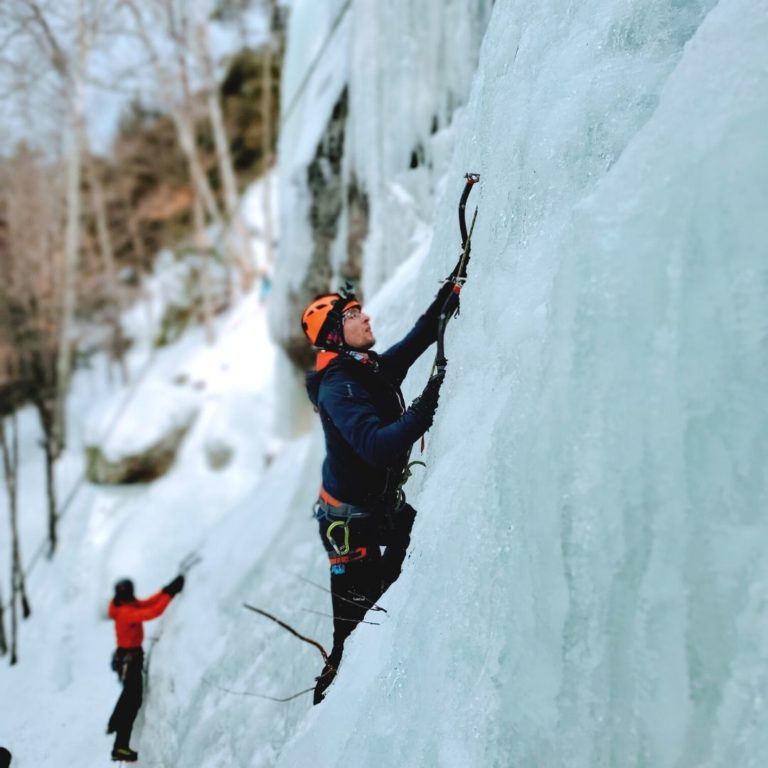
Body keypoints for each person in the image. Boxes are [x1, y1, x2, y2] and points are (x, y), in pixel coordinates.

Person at [302, 280, 452, 703]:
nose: (365, 316)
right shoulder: (339, 388)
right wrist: (426, 407)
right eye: (352, 315)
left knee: (413, 542)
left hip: (371, 510)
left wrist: (449, 294)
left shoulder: (363, 369)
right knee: (353, 636)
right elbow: (375, 446)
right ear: (334, 333)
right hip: (350, 528)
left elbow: (416, 340)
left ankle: (397, 621)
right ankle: (332, 709)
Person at [106, 575, 184, 762]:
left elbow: (147, 604)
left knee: (129, 697)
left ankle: (115, 724)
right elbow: (152, 612)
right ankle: (120, 746)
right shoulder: (125, 611)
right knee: (132, 702)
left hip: (129, 658)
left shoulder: (125, 604)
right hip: (129, 661)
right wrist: (171, 593)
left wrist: (166, 590)